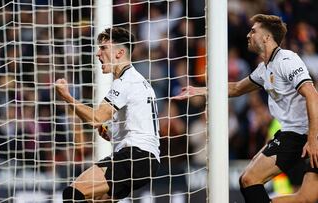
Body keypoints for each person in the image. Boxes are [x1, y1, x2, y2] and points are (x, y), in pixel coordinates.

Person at [173, 14, 318, 203]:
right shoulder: (264, 69)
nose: (248, 35)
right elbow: (236, 88)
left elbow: (312, 94)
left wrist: (313, 139)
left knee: (249, 180)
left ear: (266, 37)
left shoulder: (287, 60)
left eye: (253, 31)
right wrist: (199, 89)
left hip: (301, 134)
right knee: (306, 198)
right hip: (294, 133)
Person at [55, 27, 161, 202]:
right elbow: (138, 125)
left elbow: (96, 118)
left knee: (73, 194)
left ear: (120, 52)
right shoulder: (140, 81)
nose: (98, 53)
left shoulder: (125, 82)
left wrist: (66, 96)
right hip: (147, 160)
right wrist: (112, 133)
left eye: (103, 48)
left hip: (134, 157)